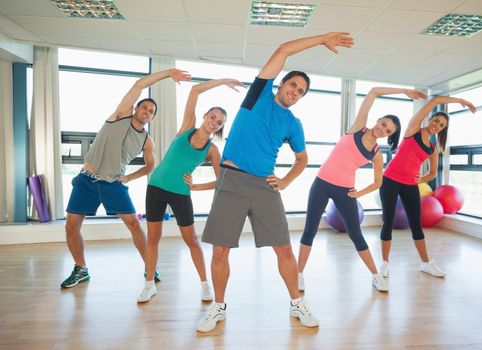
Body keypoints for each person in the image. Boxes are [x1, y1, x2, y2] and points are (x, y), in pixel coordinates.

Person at [195, 32, 354, 333]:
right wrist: (322, 40)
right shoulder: (258, 96)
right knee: (219, 251)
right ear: (281, 83)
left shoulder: (294, 124)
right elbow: (282, 49)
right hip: (231, 180)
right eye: (293, 84)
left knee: (284, 250)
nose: (295, 91)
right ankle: (218, 306)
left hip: (264, 188)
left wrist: (285, 181)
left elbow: (302, 159)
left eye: (302, 91)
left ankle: (297, 302)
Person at [60, 68, 192, 288]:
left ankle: (150, 267)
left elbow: (151, 165)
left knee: (134, 225)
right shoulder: (119, 116)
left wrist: (129, 178)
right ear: (136, 109)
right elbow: (140, 84)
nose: (147, 112)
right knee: (71, 226)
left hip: (113, 184)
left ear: (152, 118)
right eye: (144, 107)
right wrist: (168, 73)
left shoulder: (147, 141)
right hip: (86, 181)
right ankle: (80, 268)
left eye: (151, 111)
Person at [297, 87, 426, 293]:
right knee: (309, 230)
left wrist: (358, 194)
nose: (382, 130)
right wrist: (403, 91)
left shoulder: (376, 154)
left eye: (387, 131)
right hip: (321, 183)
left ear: (388, 136)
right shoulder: (358, 127)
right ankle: (299, 274)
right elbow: (374, 92)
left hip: (345, 190)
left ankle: (376, 276)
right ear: (378, 119)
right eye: (383, 124)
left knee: (356, 234)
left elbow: (378, 182)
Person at [136, 78, 245, 303]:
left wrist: (195, 187)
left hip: (180, 193)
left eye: (219, 122)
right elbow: (195, 90)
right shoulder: (187, 127)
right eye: (212, 117)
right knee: (153, 237)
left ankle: (205, 284)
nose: (214, 122)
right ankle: (149, 284)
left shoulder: (212, 150)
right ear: (205, 116)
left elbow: (221, 181)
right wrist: (224, 81)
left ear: (221, 127)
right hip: (156, 186)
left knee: (192, 240)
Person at [379, 96, 476, 279]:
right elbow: (435, 100)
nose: (437, 125)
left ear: (442, 130)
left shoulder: (432, 148)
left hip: (409, 185)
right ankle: (384, 264)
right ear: (430, 119)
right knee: (388, 221)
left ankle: (425, 264)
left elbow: (432, 174)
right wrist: (464, 101)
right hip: (389, 180)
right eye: (436, 121)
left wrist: (418, 180)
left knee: (416, 224)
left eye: (441, 125)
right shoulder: (413, 129)